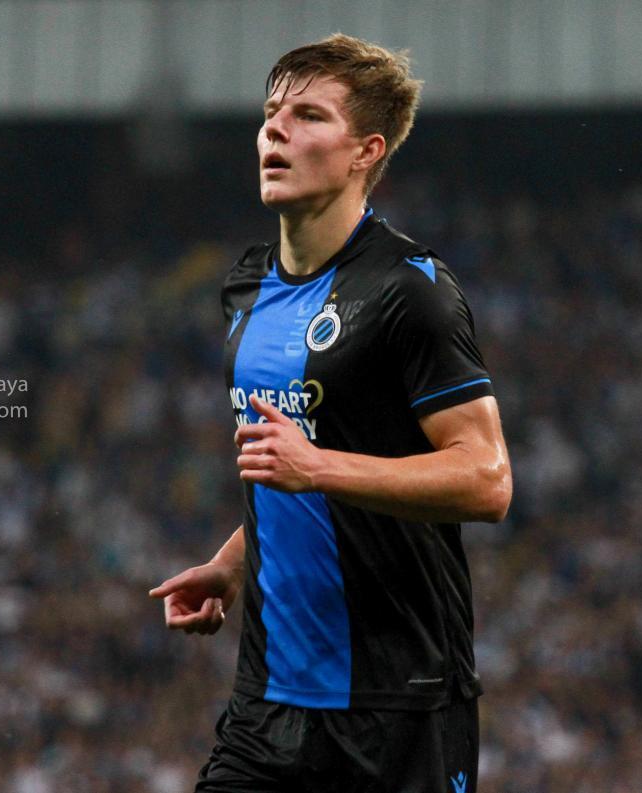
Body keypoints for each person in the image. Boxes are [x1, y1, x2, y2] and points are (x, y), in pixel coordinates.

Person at [149, 33, 511, 793]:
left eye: (308, 116)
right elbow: (303, 461)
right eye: (270, 113)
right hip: (268, 705)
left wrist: (316, 466)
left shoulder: (410, 290)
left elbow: (487, 480)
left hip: (401, 707)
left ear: (365, 153)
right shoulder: (246, 288)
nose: (275, 131)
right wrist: (232, 564)